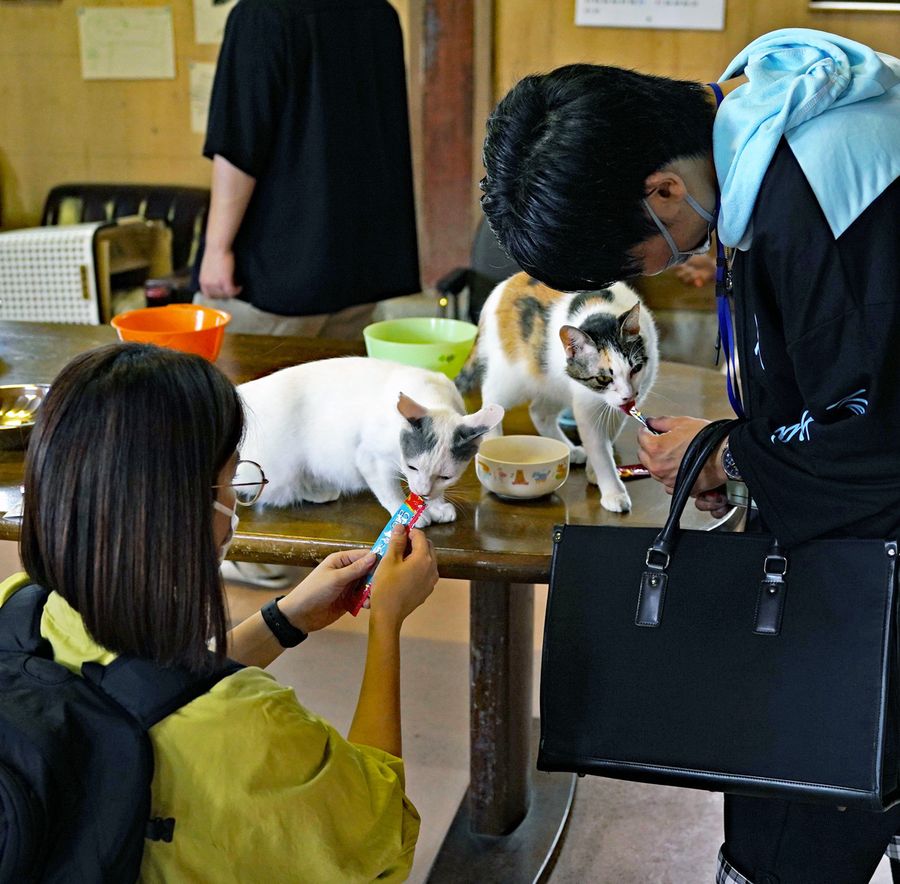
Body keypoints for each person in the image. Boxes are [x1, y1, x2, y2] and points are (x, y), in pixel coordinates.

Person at [480, 28, 900, 884]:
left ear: (664, 188)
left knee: (809, 805)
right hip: (850, 542)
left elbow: (875, 446)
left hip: (872, 575)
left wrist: (728, 459)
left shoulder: (808, 200)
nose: (676, 269)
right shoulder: (756, 118)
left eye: (652, 254)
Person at [2, 342, 437, 880]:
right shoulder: (251, 726)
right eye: (233, 477)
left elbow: (133, 689)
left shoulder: (18, 607)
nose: (237, 498)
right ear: (187, 506)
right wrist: (386, 622)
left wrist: (284, 619)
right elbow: (382, 833)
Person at [194, 0, 420, 338]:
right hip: (359, 270)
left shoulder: (261, 14)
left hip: (273, 278)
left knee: (242, 389)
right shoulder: (379, 14)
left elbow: (238, 145)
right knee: (340, 389)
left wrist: (216, 248)